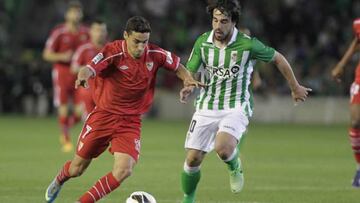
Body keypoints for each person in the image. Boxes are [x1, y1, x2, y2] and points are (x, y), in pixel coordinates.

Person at [44, 16, 204, 203]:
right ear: (125, 35)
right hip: (103, 116)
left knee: (124, 170)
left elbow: (177, 66)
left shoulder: (154, 53)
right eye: (136, 42)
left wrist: (187, 78)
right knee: (77, 169)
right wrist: (83, 76)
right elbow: (89, 67)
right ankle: (60, 179)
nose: (141, 47)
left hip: (131, 121)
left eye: (144, 42)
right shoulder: (113, 52)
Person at [178, 1, 312, 202]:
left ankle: (234, 165)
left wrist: (295, 87)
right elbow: (191, 72)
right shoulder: (202, 42)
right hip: (206, 106)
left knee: (223, 148)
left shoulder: (248, 44)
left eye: (223, 21)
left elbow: (278, 58)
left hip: (235, 106)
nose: (217, 26)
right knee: (192, 159)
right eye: (215, 20)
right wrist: (188, 85)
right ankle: (189, 198)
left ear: (233, 22)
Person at [43, 0, 89, 152]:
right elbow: (47, 54)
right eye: (73, 12)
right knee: (63, 106)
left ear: (81, 14)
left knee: (79, 110)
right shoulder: (59, 32)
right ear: (67, 14)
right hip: (62, 72)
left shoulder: (85, 33)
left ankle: (66, 128)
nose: (76, 15)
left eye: (78, 12)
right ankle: (66, 139)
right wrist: (62, 56)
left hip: (78, 73)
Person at [331, 18, 360, 188]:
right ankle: (359, 169)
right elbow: (357, 41)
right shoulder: (357, 24)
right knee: (356, 122)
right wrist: (341, 64)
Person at [71, 19, 108, 116]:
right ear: (91, 32)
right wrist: (90, 68)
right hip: (88, 90)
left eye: (102, 30)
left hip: (106, 91)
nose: (100, 33)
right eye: (97, 30)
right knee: (90, 121)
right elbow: (73, 68)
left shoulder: (110, 49)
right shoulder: (84, 48)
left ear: (106, 32)